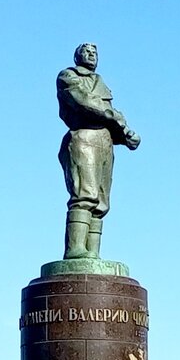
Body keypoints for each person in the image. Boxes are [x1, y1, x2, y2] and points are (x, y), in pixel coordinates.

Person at [57, 43, 140, 259]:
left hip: (105, 141)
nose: (92, 55)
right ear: (77, 56)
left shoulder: (100, 82)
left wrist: (126, 134)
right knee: (85, 195)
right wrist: (117, 118)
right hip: (83, 137)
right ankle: (75, 249)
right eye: (87, 51)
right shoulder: (68, 76)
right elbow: (85, 103)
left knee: (101, 202)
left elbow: (109, 113)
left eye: (95, 52)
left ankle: (92, 254)